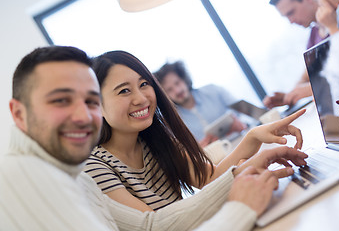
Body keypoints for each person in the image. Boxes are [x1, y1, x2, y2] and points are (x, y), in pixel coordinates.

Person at [0, 45, 308, 230]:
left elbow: (155, 224)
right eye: (60, 101)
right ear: (18, 114)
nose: (82, 115)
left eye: (88, 101)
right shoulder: (34, 173)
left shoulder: (78, 170)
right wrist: (240, 203)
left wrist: (252, 147)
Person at [84, 50, 306, 213]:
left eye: (144, 84)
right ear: (96, 105)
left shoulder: (154, 140)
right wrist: (255, 164)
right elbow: (157, 226)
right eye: (124, 90)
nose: (141, 98)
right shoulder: (94, 167)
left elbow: (209, 178)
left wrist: (254, 136)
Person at [263, 0, 333, 109]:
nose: (291, 21)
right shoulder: (314, 35)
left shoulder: (338, 22)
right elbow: (306, 76)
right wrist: (289, 96)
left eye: (291, 13)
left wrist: (311, 89)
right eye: (286, 17)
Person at [153, 60, 247, 146]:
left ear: (184, 79)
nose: (177, 91)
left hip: (241, 142)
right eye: (169, 90)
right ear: (165, 96)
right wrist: (197, 150)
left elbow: (248, 113)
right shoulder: (171, 121)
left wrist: (240, 123)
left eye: (177, 83)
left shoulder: (213, 90)